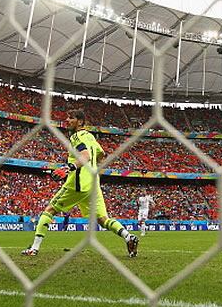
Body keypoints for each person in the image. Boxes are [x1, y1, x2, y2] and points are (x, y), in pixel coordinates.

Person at [21, 110, 139, 257]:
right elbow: (101, 154)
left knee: (50, 210)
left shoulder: (75, 136)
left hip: (78, 183)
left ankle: (34, 248)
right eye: (67, 116)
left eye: (71, 118)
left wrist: (70, 167)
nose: (67, 119)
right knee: (103, 219)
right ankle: (129, 237)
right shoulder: (90, 137)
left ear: (80, 121)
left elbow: (86, 155)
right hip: (93, 184)